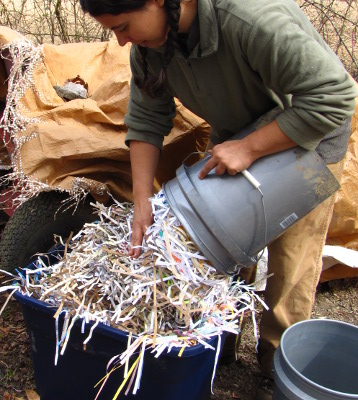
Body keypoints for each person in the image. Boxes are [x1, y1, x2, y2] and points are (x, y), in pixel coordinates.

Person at [79, 0, 357, 398]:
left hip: (305, 137)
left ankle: (277, 369)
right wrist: (142, 201)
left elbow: (334, 98)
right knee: (217, 244)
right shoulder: (151, 42)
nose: (121, 41)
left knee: (289, 260)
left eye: (123, 26)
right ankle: (216, 342)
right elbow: (146, 119)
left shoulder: (251, 19)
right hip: (240, 132)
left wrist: (251, 148)